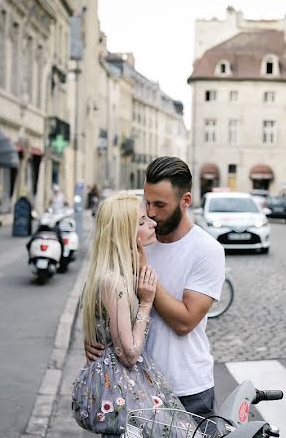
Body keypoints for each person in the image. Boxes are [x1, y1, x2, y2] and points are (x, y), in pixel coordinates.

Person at [86, 157, 225, 417]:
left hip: (186, 388)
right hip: (134, 389)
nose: (151, 213)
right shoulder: (139, 235)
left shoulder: (206, 250)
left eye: (160, 205)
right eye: (147, 202)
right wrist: (96, 335)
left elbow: (185, 322)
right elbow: (110, 293)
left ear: (185, 201)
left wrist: (144, 271)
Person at [72, 193, 192, 435]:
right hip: (120, 389)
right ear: (123, 233)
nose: (153, 223)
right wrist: (147, 302)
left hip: (118, 387)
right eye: (141, 222)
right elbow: (128, 354)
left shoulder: (110, 275)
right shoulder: (114, 282)